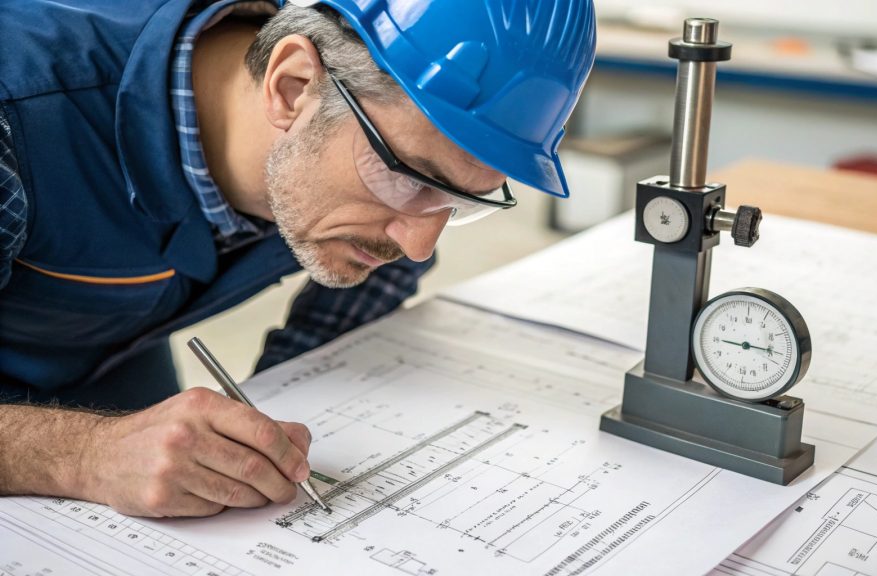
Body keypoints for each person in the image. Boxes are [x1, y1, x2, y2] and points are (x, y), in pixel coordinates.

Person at [0, 0, 595, 517]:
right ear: (292, 86)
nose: (418, 245)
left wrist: (280, 408)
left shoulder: (366, 165)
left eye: (460, 201)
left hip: (106, 348)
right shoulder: (19, 116)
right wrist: (84, 455)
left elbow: (371, 285)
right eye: (414, 182)